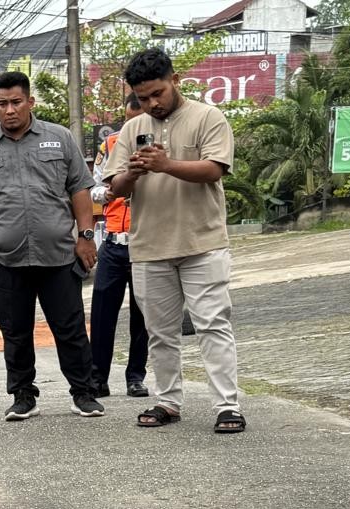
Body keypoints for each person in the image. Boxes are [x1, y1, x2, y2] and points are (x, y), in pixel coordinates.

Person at [105, 48, 245, 433]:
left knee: (213, 324)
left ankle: (227, 406)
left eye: (158, 93)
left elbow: (214, 169)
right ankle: (167, 401)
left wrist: (166, 165)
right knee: (159, 331)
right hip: (149, 245)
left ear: (176, 80)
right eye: (143, 97)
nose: (153, 103)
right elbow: (114, 187)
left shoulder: (208, 117)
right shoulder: (132, 130)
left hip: (203, 242)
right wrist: (132, 173)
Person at [0, 71, 105, 420]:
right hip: (5, 260)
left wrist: (85, 238)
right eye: (3, 104)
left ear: (30, 102)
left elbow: (80, 191)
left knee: (69, 329)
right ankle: (23, 396)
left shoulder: (59, 138)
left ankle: (83, 393)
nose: (10, 110)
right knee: (15, 332)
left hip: (57, 256)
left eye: (16, 102)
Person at [89, 94, 149, 399]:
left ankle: (136, 377)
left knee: (143, 315)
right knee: (102, 314)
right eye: (126, 120)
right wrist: (111, 193)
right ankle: (98, 378)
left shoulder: (158, 147)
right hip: (113, 243)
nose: (129, 127)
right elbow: (92, 190)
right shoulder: (110, 145)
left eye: (135, 122)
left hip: (146, 241)